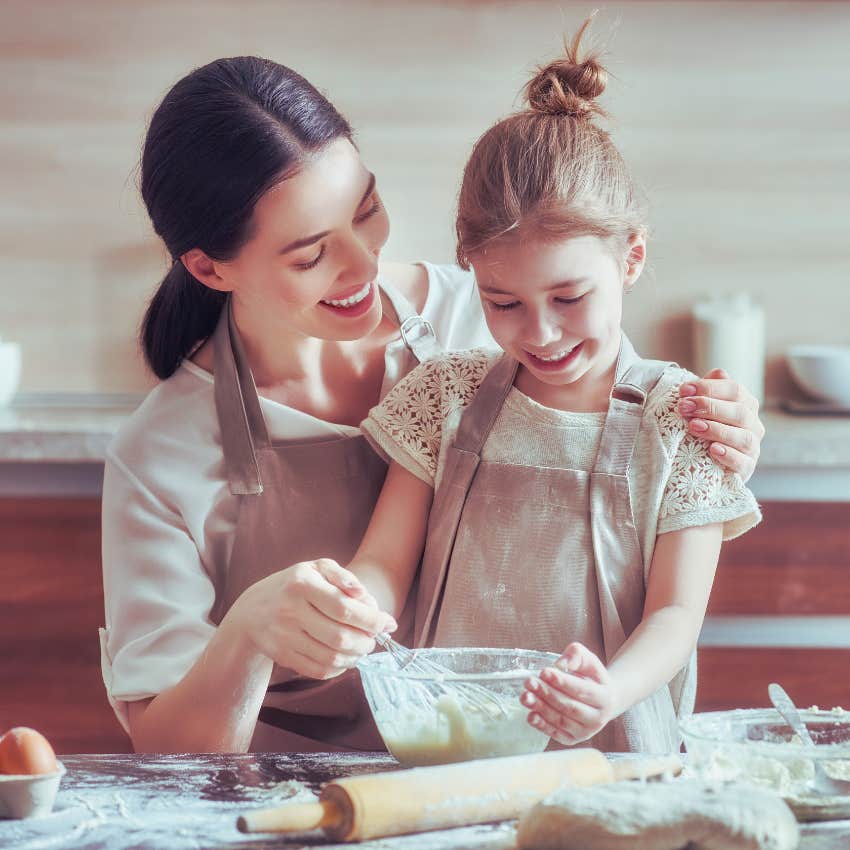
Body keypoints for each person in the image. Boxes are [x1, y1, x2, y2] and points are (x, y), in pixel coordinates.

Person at [100, 51, 765, 754]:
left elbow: (609, 371)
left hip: (517, 753)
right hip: (290, 786)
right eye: (309, 255)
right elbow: (166, 750)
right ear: (209, 267)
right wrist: (250, 630)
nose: (362, 267)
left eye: (367, 211)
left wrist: (722, 430)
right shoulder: (161, 453)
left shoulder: (493, 310)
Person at [333, 21, 762, 752]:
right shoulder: (444, 394)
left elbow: (676, 616)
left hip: (616, 750)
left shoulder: (683, 419)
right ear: (471, 273)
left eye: (569, 298)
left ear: (631, 257)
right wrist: (350, 608)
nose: (541, 333)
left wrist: (608, 692)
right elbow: (383, 562)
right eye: (503, 304)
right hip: (451, 744)